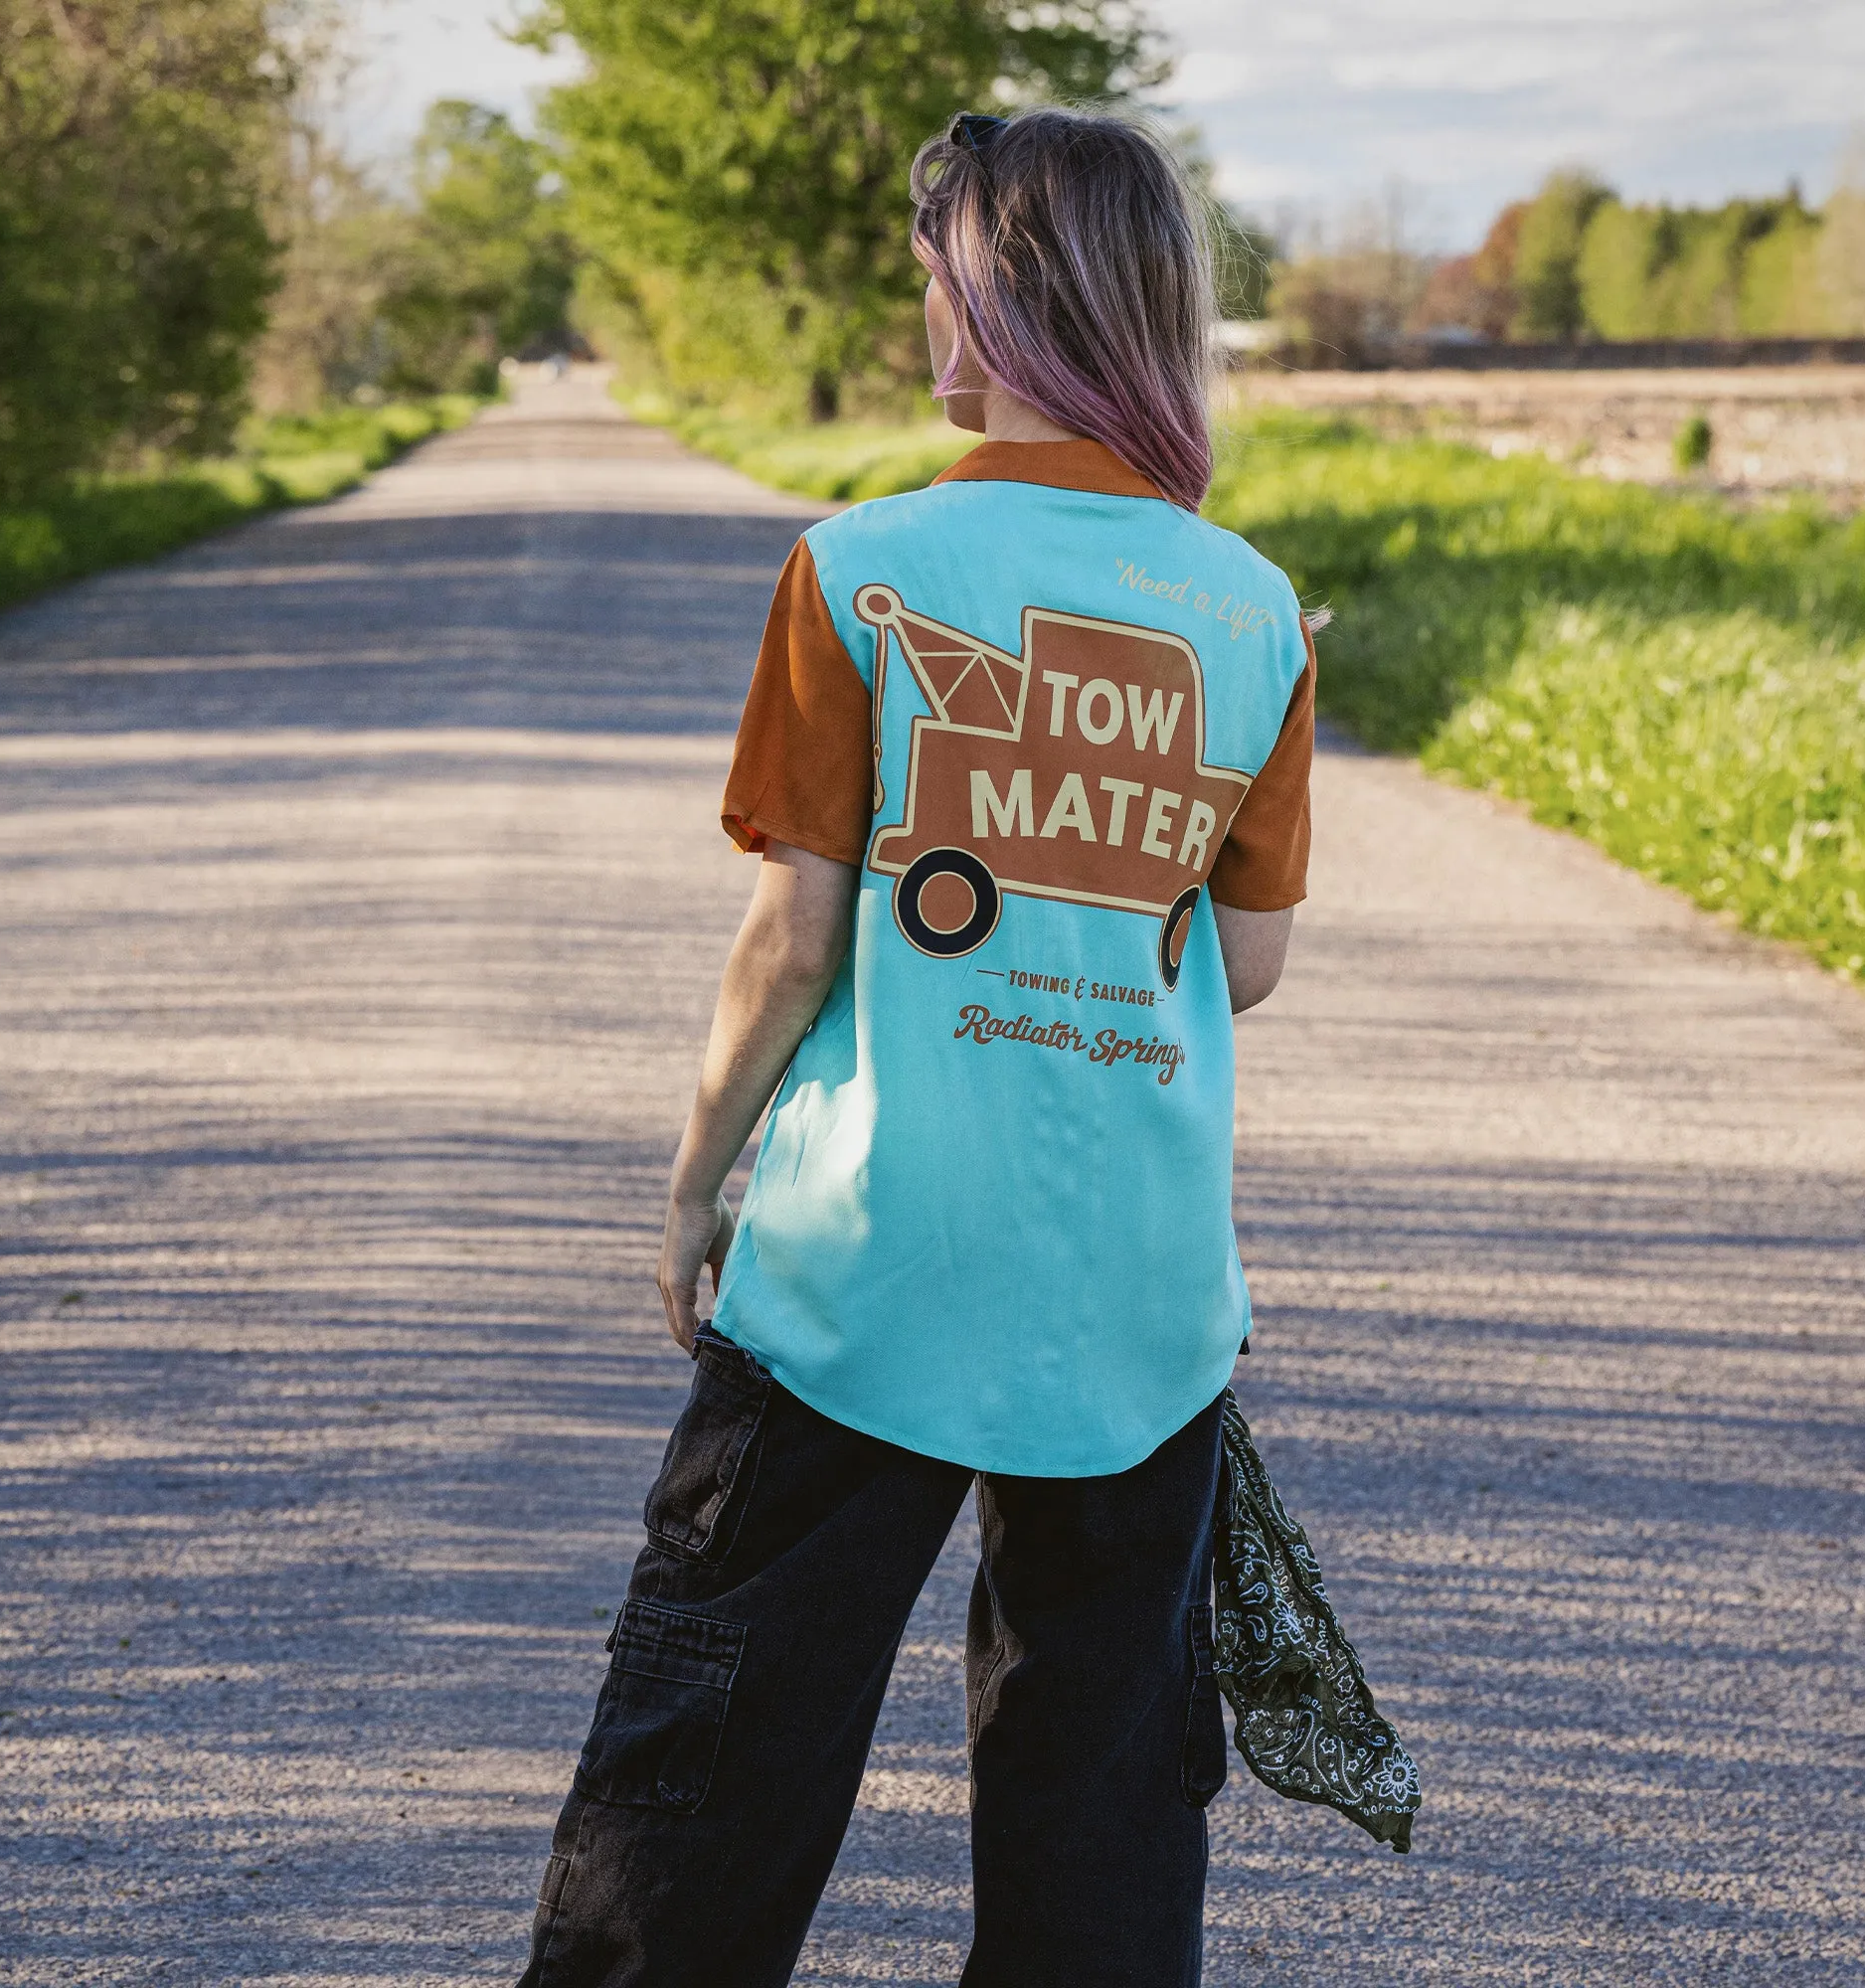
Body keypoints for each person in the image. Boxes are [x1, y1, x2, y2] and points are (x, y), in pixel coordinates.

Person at [516, 104, 1317, 1988]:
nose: (922, 328)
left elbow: (794, 942)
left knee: (710, 1767)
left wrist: (695, 1184)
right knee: (1100, 1817)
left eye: (935, 287)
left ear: (1008, 299)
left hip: (870, 1260)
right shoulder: (1254, 608)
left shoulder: (863, 568)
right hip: (1139, 1299)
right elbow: (1251, 959)